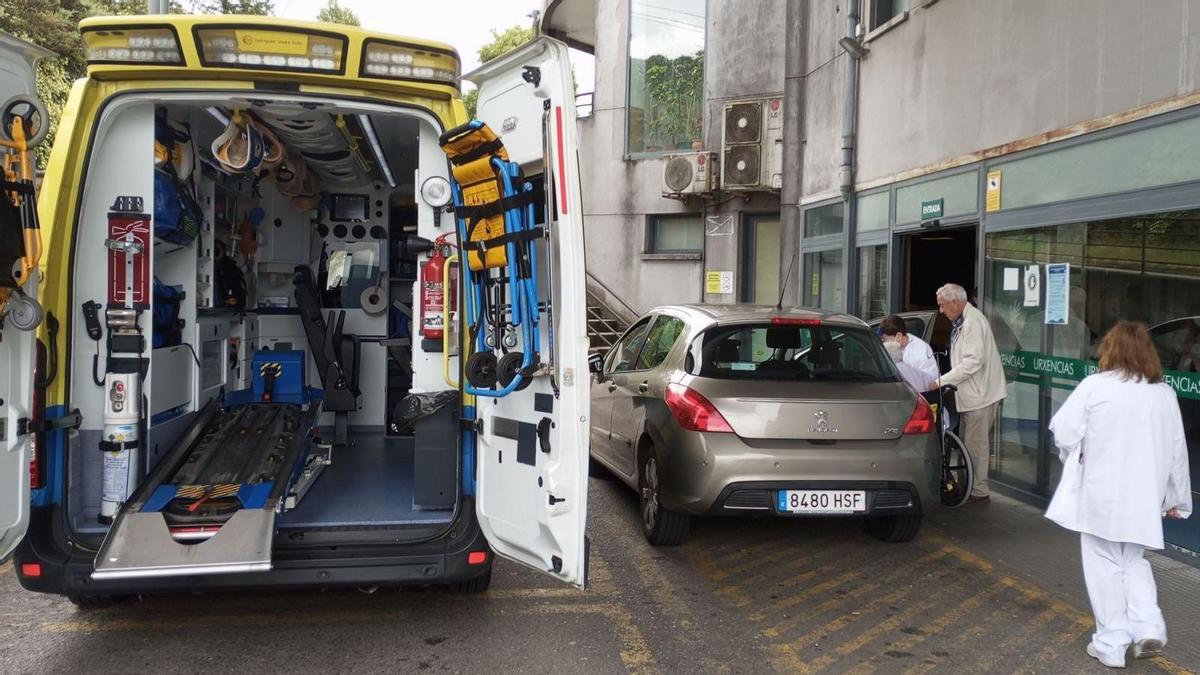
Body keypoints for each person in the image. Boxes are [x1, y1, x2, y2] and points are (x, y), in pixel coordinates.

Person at [1046, 321, 1192, 669]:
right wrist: (1177, 498)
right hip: (1144, 497)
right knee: (1132, 561)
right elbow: (1177, 452)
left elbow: (1064, 432)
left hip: (1102, 495)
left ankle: (1111, 644)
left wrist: (1075, 457)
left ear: (1109, 350)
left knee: (1104, 567)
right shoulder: (1164, 394)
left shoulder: (1096, 386)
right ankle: (1149, 625)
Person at [936, 283, 1007, 505]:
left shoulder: (973, 322)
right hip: (974, 395)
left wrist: (941, 381)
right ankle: (969, 488)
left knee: (975, 446)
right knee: (968, 444)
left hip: (980, 395)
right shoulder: (964, 320)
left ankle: (978, 492)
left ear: (955, 302)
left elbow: (972, 362)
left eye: (942, 305)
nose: (941, 310)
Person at [878, 314, 940, 387]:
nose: (883, 343)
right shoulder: (892, 348)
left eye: (885, 340)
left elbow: (931, 380)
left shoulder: (921, 348)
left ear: (898, 336)